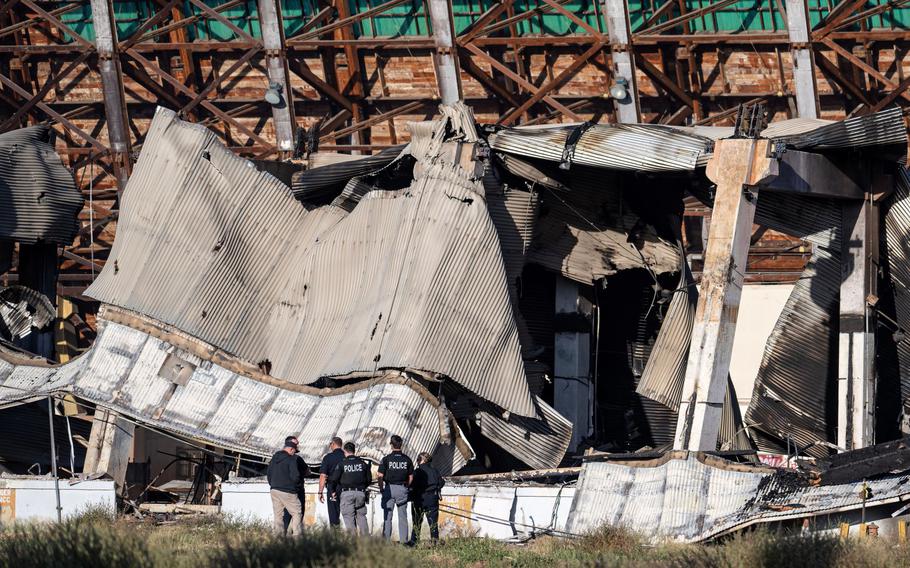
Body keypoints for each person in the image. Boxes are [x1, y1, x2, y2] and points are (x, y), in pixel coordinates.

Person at [328, 441, 371, 535]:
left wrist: (332, 491)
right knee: (362, 516)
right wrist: (361, 488)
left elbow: (333, 480)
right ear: (354, 451)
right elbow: (369, 480)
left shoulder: (342, 464)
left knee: (348, 517)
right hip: (361, 493)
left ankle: (353, 543)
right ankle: (366, 542)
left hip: (346, 494)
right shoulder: (363, 464)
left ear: (345, 451)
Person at [378, 434, 414, 542]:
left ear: (391, 445)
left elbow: (380, 476)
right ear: (401, 445)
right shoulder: (407, 459)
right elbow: (411, 477)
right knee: (403, 517)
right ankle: (404, 542)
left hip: (389, 489)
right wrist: (406, 486)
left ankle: (386, 543)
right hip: (402, 488)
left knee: (388, 517)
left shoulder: (386, 459)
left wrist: (381, 488)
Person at [267, 435, 304, 536]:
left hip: (274, 490)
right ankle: (298, 537)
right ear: (291, 449)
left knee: (278, 516)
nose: (294, 453)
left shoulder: (274, 457)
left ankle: (278, 539)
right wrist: (296, 487)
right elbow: (295, 476)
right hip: (288, 491)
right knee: (297, 513)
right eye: (294, 450)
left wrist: (273, 484)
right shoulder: (291, 459)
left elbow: (269, 473)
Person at [408, 452, 444, 545]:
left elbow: (412, 485)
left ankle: (414, 542)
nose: (417, 461)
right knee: (433, 522)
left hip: (419, 499)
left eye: (418, 459)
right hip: (432, 498)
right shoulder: (434, 471)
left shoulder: (417, 471)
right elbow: (441, 482)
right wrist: (436, 488)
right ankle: (435, 541)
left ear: (423, 460)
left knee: (417, 521)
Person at [283, 436, 310, 534]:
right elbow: (307, 472)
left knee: (286, 513)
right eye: (295, 443)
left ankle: (284, 534)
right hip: (296, 490)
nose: (297, 445)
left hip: (285, 490)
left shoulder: (279, 458)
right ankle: (296, 536)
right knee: (298, 513)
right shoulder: (297, 459)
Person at [318, 436, 345, 527]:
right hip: (346, 488)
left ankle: (335, 536)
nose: (330, 446)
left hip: (332, 488)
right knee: (348, 514)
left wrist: (320, 491)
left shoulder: (328, 457)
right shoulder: (346, 456)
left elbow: (323, 475)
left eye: (330, 444)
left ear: (333, 444)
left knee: (333, 514)